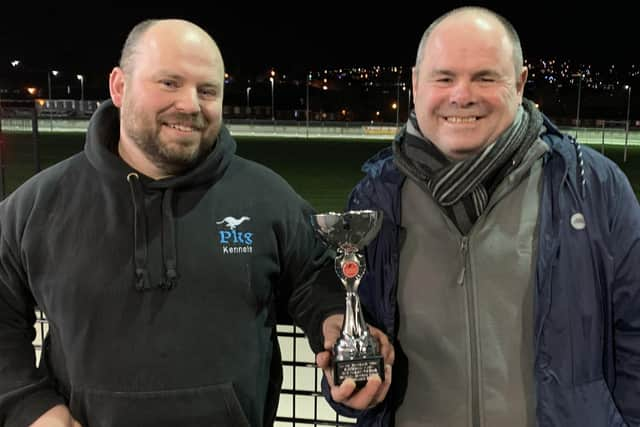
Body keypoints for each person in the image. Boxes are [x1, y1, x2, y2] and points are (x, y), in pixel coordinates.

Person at [0, 19, 392, 427]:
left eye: (207, 90)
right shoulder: (38, 205)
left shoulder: (266, 196)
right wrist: (32, 409)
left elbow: (317, 280)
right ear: (119, 86)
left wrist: (336, 324)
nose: (190, 105)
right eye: (169, 83)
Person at [320, 6, 640, 426]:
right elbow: (356, 329)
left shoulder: (591, 187)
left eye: (485, 77)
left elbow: (634, 334)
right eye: (444, 77)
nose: (462, 95)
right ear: (416, 84)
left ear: (520, 82)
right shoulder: (376, 195)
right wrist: (350, 386)